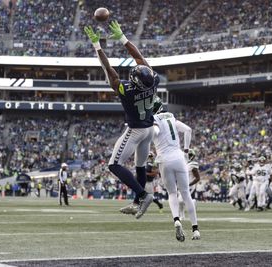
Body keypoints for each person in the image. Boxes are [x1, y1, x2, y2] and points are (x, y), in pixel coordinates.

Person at [84, 21, 158, 219]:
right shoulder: (153, 81)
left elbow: (109, 71)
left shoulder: (128, 91)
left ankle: (142, 195)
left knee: (113, 165)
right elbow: (139, 57)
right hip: (150, 128)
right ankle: (136, 203)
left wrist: (97, 46)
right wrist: (123, 38)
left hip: (135, 130)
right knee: (140, 166)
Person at [151, 97, 200, 241]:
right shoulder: (171, 117)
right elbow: (188, 130)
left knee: (172, 193)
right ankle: (195, 229)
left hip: (164, 159)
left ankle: (176, 220)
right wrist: (185, 150)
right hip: (179, 157)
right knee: (186, 194)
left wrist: (146, 135)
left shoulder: (154, 119)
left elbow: (154, 131)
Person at [179, 149, 200, 219]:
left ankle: (192, 215)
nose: (188, 156)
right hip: (182, 185)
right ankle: (182, 216)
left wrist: (189, 184)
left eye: (190, 155)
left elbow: (198, 178)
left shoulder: (193, 164)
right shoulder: (183, 164)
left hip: (189, 186)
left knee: (186, 201)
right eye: (188, 154)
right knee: (180, 201)